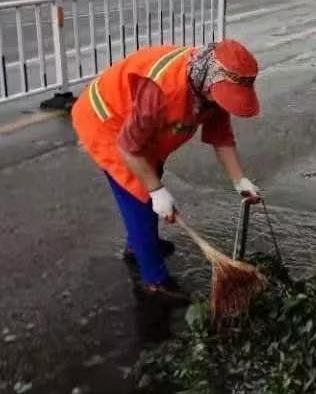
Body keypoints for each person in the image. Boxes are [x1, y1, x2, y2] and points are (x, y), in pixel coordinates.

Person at [71, 40, 261, 302]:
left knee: (151, 179)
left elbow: (221, 137)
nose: (221, 102)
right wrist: (156, 191)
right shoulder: (161, 91)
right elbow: (129, 149)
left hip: (141, 131)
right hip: (107, 122)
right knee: (140, 195)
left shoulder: (209, 87)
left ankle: (137, 246)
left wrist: (240, 180)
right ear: (209, 80)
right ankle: (155, 280)